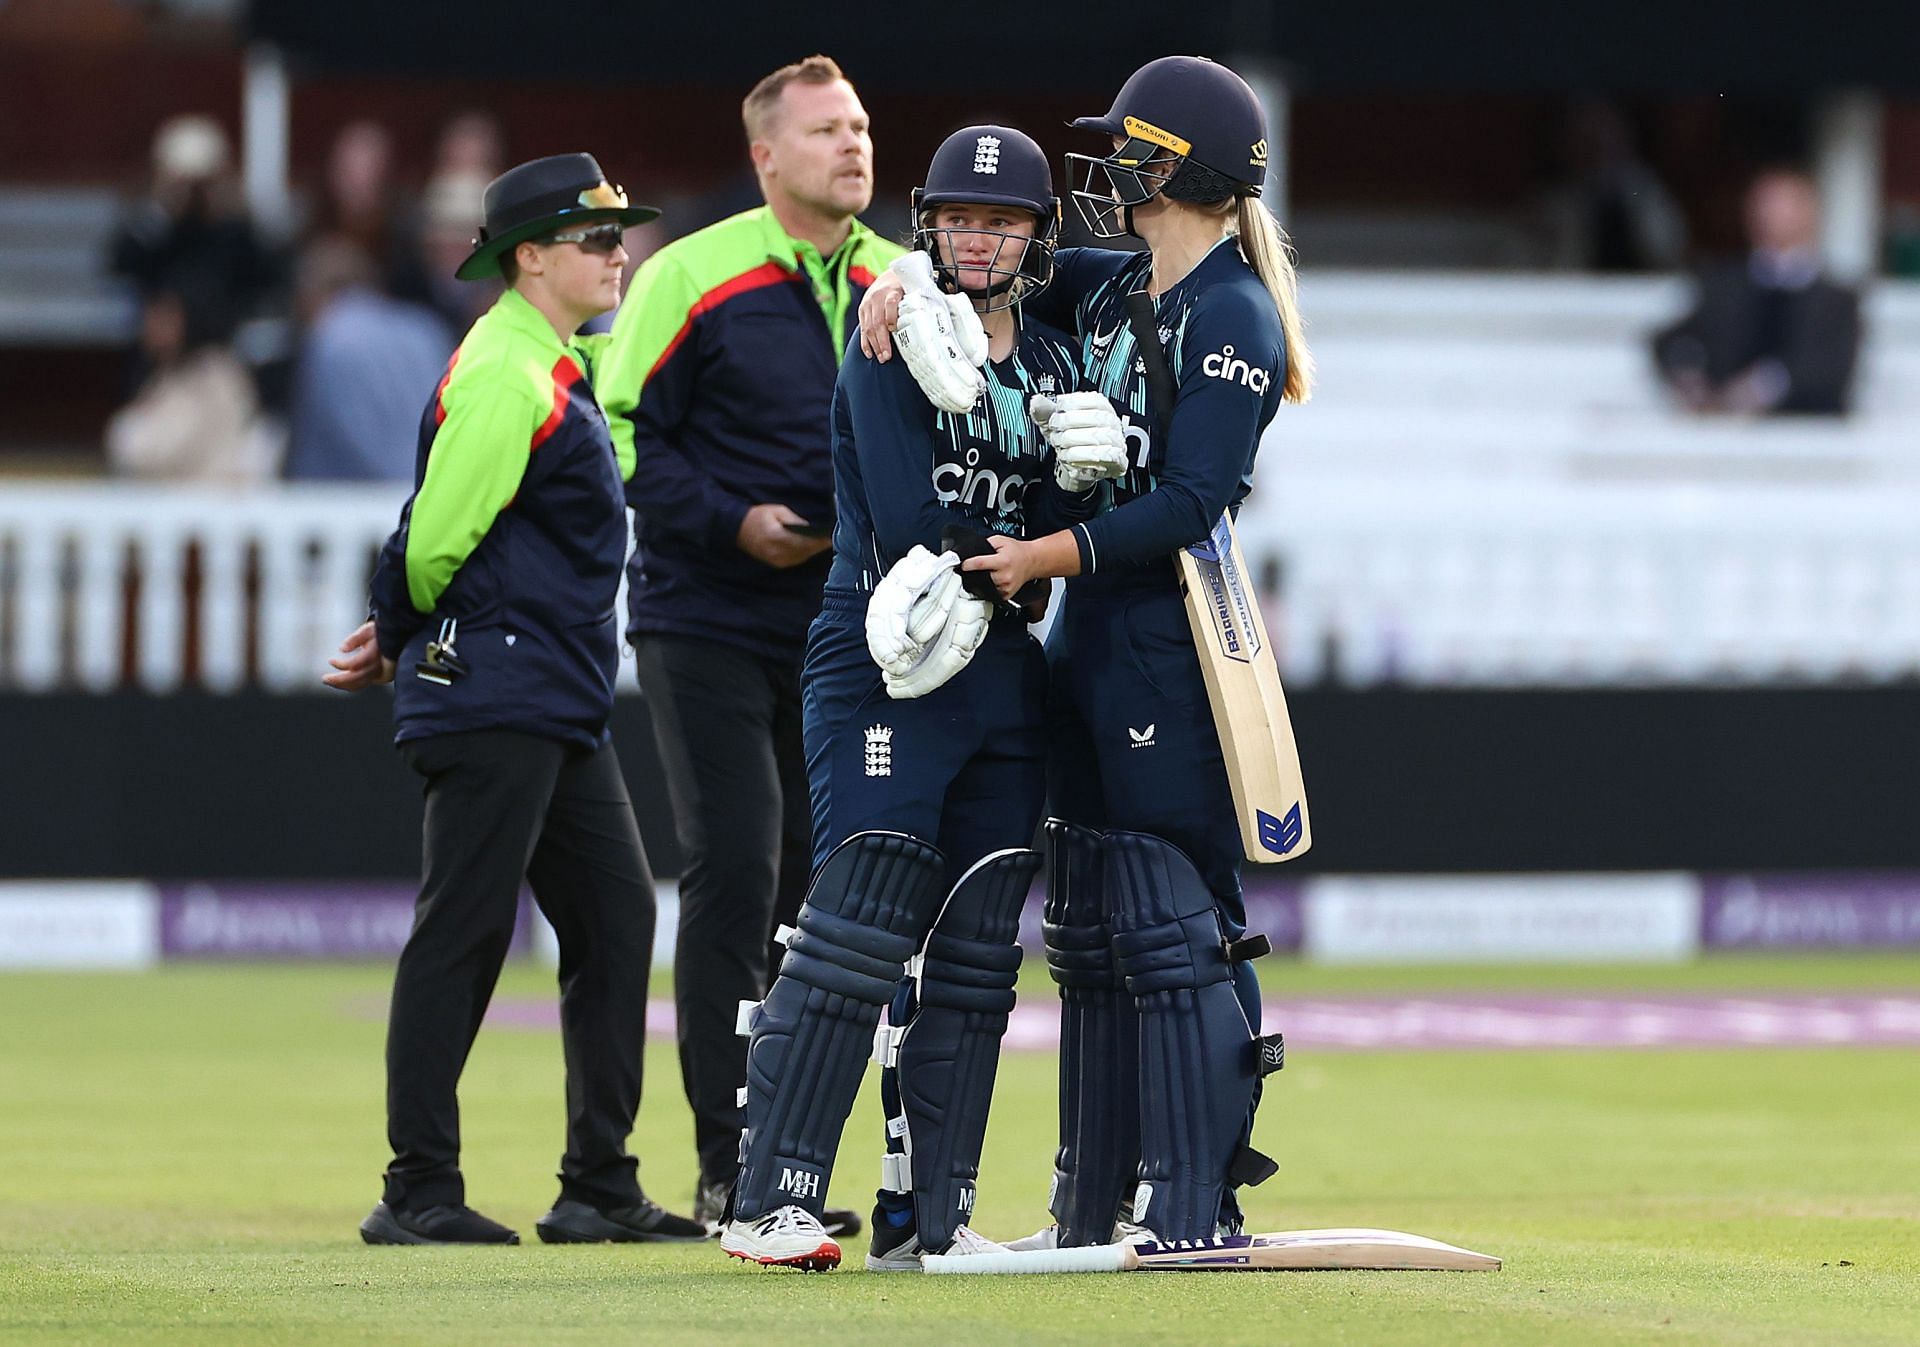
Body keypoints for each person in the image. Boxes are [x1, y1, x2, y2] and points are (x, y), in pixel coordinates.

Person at [860, 55, 1311, 1248]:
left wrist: (1045, 556)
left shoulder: (1234, 314)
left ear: (1182, 166)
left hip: (1171, 640)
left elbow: (1193, 501)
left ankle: (1198, 1196)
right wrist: (895, 287)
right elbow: (987, 268)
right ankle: (1091, 1203)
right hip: (1096, 636)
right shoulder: (1117, 287)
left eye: (1129, 147)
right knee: (1099, 926)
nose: (1108, 165)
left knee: (1178, 922)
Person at [716, 125, 1128, 1273]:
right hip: (892, 656)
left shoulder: (1052, 362)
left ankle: (931, 1221)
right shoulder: (892, 337)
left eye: (1003, 221)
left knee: (981, 945)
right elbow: (913, 528)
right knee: (859, 920)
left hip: (1002, 667)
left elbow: (1052, 524)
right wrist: (1038, 519)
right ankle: (771, 1200)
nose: (978, 239)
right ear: (926, 224)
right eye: (957, 220)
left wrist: (1089, 476)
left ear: (1036, 235)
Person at [322, 153, 704, 1247]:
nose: (618, 252)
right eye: (595, 239)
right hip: (500, 685)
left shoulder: (538, 362)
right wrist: (405, 633)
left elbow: (436, 535)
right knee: (468, 929)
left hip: (537, 690)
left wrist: (402, 634)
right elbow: (436, 537)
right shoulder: (512, 372)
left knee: (616, 915)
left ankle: (597, 1184)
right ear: (529, 258)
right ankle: (418, 1189)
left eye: (618, 234)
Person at [597, 54, 901, 1236]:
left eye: (863, 125)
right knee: (732, 867)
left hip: (848, 623)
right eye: (827, 130)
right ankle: (732, 1160)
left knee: (825, 887)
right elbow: (612, 435)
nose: (855, 145)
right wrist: (733, 521)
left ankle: (799, 1155)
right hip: (707, 614)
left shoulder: (899, 280)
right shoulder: (687, 275)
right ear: (766, 155)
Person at [1652, 168, 1862, 416]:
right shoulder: (1722, 286)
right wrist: (1689, 376)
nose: (1771, 213)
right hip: (1725, 433)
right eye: (1764, 203)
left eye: (1783, 204)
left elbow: (1830, 369)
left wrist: (1765, 386)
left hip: (1807, 436)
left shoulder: (1837, 300)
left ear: (1810, 211)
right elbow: (1674, 340)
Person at [284, 237, 455, 482]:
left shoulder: (331, 336)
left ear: (312, 292)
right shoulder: (425, 328)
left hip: (347, 502)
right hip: (431, 488)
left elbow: (334, 437)